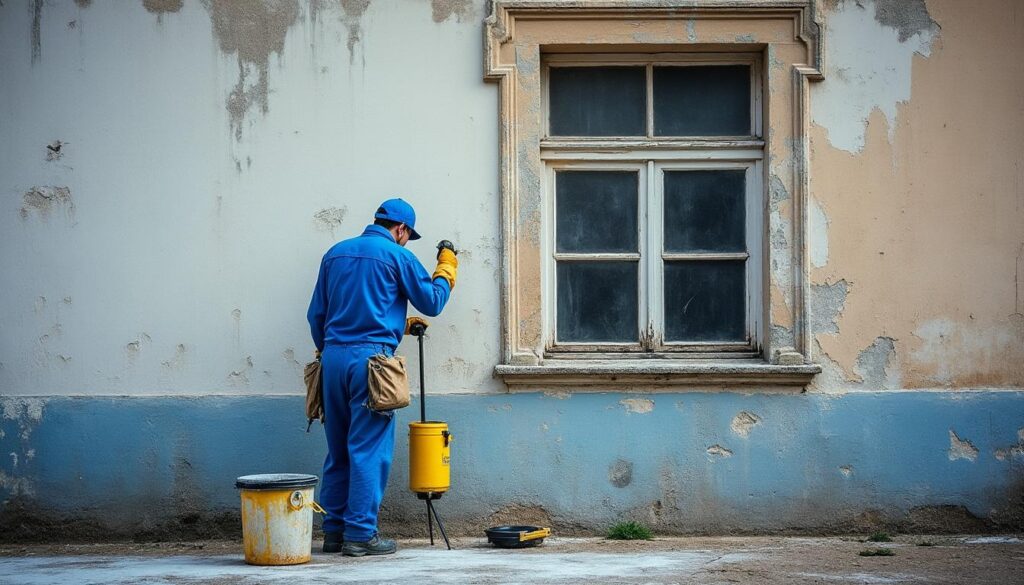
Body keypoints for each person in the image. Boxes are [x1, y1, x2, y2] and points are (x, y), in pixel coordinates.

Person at [306, 198, 458, 557]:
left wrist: (390, 327)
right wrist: (447, 267)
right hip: (372, 364)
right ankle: (360, 535)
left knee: (339, 448)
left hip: (331, 360)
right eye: (407, 235)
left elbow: (317, 316)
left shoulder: (336, 253)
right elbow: (432, 301)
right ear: (401, 229)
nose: (406, 241)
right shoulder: (398, 255)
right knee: (369, 448)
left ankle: (334, 531)